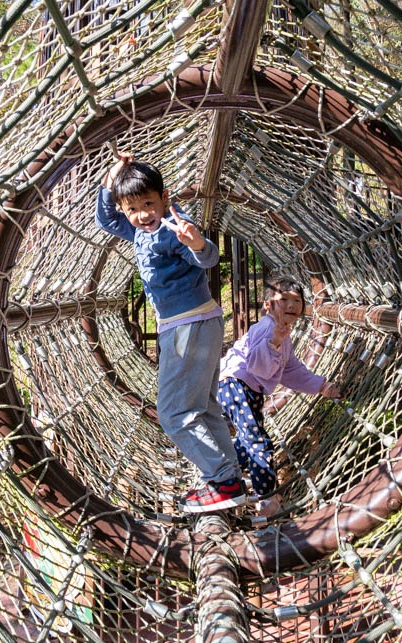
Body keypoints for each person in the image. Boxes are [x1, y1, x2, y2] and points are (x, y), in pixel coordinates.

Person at [95, 153, 247, 513]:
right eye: (132, 208)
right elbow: (105, 219)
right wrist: (112, 177)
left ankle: (222, 479)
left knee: (174, 413)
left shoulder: (173, 228)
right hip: (196, 323)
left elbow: (207, 258)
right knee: (204, 407)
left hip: (188, 325)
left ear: (164, 198)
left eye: (148, 203)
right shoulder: (136, 230)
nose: (142, 214)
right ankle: (228, 479)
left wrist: (195, 242)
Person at [218, 276, 341, 516]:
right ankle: (266, 498)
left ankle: (222, 477)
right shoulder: (267, 328)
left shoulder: (284, 338)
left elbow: (291, 371)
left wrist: (322, 386)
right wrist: (274, 341)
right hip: (236, 384)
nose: (292, 305)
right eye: (283, 299)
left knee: (246, 441)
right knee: (259, 443)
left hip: (246, 389)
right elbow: (257, 365)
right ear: (268, 305)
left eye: (297, 300)